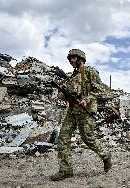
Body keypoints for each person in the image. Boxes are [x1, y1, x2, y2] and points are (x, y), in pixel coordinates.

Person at [50, 49, 111, 181]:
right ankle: (66, 170)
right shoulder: (71, 76)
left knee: (87, 138)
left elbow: (100, 90)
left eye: (74, 58)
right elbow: (64, 95)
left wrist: (87, 99)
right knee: (63, 139)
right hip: (72, 111)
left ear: (81, 58)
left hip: (85, 110)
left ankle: (105, 155)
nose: (72, 60)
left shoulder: (89, 72)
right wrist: (61, 95)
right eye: (70, 58)